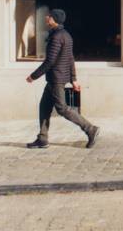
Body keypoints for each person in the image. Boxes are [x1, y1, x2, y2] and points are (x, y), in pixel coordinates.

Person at [25, 9, 99, 149]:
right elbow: (70, 58)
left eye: (49, 16)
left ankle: (90, 129)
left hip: (56, 78)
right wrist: (74, 79)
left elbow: (50, 61)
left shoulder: (56, 37)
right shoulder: (66, 35)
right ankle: (42, 138)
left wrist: (33, 76)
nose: (46, 17)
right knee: (44, 107)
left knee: (62, 109)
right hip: (58, 78)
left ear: (54, 19)